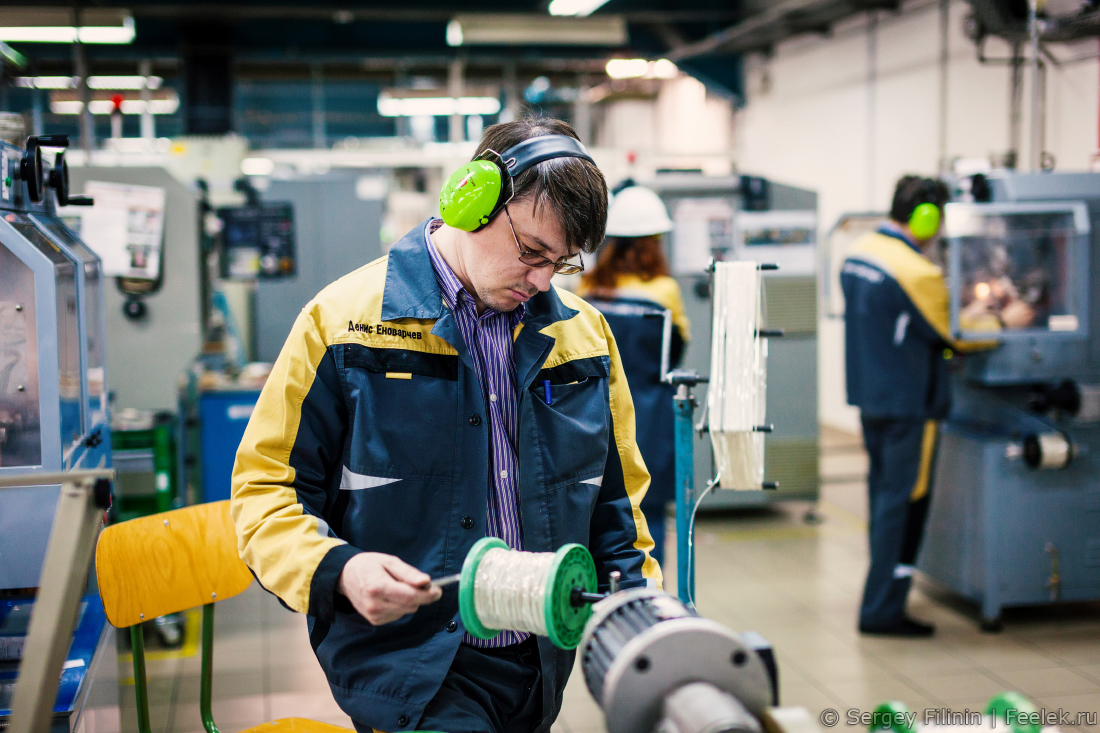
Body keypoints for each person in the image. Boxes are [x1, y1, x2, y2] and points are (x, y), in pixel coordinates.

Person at [230, 117, 659, 733]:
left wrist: (644, 612)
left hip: (538, 660)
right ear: (472, 200)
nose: (541, 280)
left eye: (560, 263)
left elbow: (616, 504)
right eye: (531, 252)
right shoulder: (342, 324)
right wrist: (340, 570)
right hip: (410, 662)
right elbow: (264, 493)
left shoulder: (582, 336)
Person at [841, 175, 993, 637]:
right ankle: (883, 610)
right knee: (903, 506)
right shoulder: (916, 271)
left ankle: (880, 600)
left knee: (883, 499)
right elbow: (957, 332)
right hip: (911, 405)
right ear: (926, 216)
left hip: (872, 397)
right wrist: (1005, 316)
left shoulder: (858, 254)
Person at [576, 184, 690, 567]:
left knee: (596, 509)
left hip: (594, 411)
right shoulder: (665, 291)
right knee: (648, 511)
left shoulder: (589, 286)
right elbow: (678, 345)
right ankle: (649, 600)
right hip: (649, 413)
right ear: (654, 243)